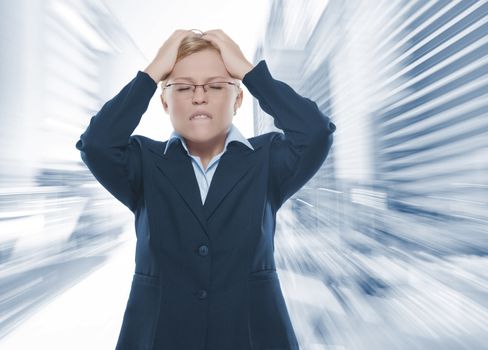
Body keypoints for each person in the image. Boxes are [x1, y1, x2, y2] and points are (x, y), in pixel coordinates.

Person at [75, 28, 336, 350]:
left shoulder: (267, 160)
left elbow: (316, 132)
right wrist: (154, 70)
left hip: (253, 338)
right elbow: (96, 144)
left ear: (239, 98)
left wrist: (248, 71)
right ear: (165, 103)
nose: (199, 96)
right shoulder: (143, 162)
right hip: (159, 338)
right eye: (183, 88)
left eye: (215, 86)